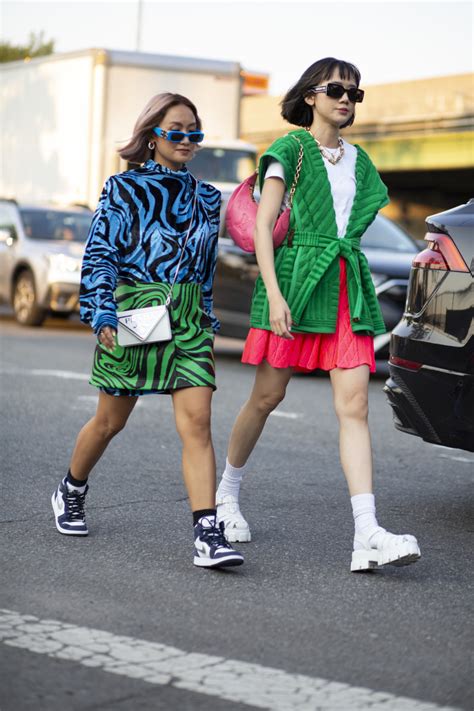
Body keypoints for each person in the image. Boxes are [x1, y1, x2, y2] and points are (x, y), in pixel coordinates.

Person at [216, 58, 421, 572]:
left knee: (355, 406)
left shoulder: (360, 161)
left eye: (355, 92)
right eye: (336, 89)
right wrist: (274, 294)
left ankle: (366, 533)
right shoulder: (289, 150)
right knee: (266, 396)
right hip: (296, 282)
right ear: (311, 95)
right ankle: (225, 495)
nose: (347, 99)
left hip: (345, 286)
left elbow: (353, 223)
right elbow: (264, 227)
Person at [51, 92, 244, 569]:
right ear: (152, 136)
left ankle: (207, 532)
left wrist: (204, 314)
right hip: (137, 310)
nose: (186, 140)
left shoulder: (207, 197)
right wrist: (101, 313)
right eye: (176, 131)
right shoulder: (123, 189)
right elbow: (99, 255)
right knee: (110, 422)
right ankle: (71, 489)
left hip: (189, 319)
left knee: (198, 423)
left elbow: (206, 267)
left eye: (193, 133)